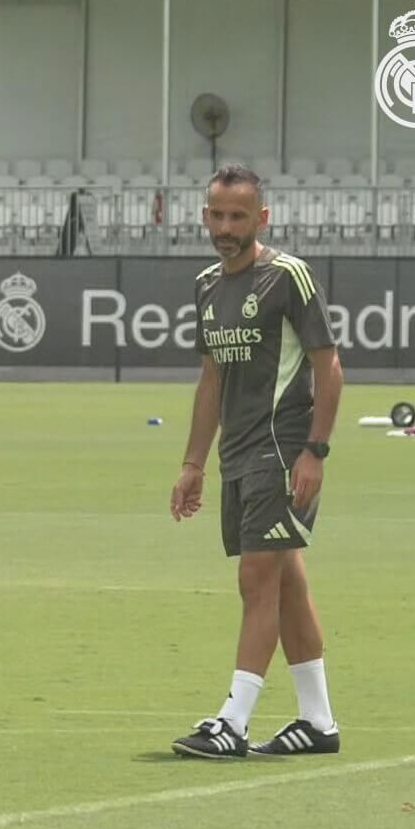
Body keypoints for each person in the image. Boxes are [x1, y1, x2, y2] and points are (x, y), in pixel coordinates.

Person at [170, 164, 344, 759]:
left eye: (238, 216)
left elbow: (329, 367)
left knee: (257, 580)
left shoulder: (288, 277)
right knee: (287, 582)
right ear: (205, 216)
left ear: (261, 218)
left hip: (282, 452)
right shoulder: (206, 285)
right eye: (217, 215)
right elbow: (211, 379)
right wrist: (193, 463)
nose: (226, 227)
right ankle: (317, 722)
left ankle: (234, 721)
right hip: (237, 457)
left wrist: (315, 452)